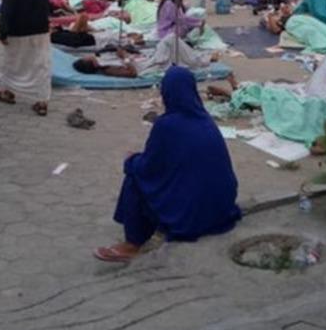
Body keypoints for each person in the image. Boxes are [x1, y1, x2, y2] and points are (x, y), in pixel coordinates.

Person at [94, 66, 241, 262]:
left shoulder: (167, 125)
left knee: (134, 177)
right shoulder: (205, 119)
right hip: (222, 209)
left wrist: (131, 160)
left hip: (193, 216)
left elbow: (148, 168)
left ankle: (132, 244)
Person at [72, 34, 219, 78]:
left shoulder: (103, 60)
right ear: (90, 63)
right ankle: (202, 60)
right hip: (149, 65)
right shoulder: (108, 69)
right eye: (86, 58)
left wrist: (124, 52)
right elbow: (132, 73)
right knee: (170, 39)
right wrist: (124, 57)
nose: (89, 56)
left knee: (173, 44)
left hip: (145, 58)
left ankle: (200, 58)